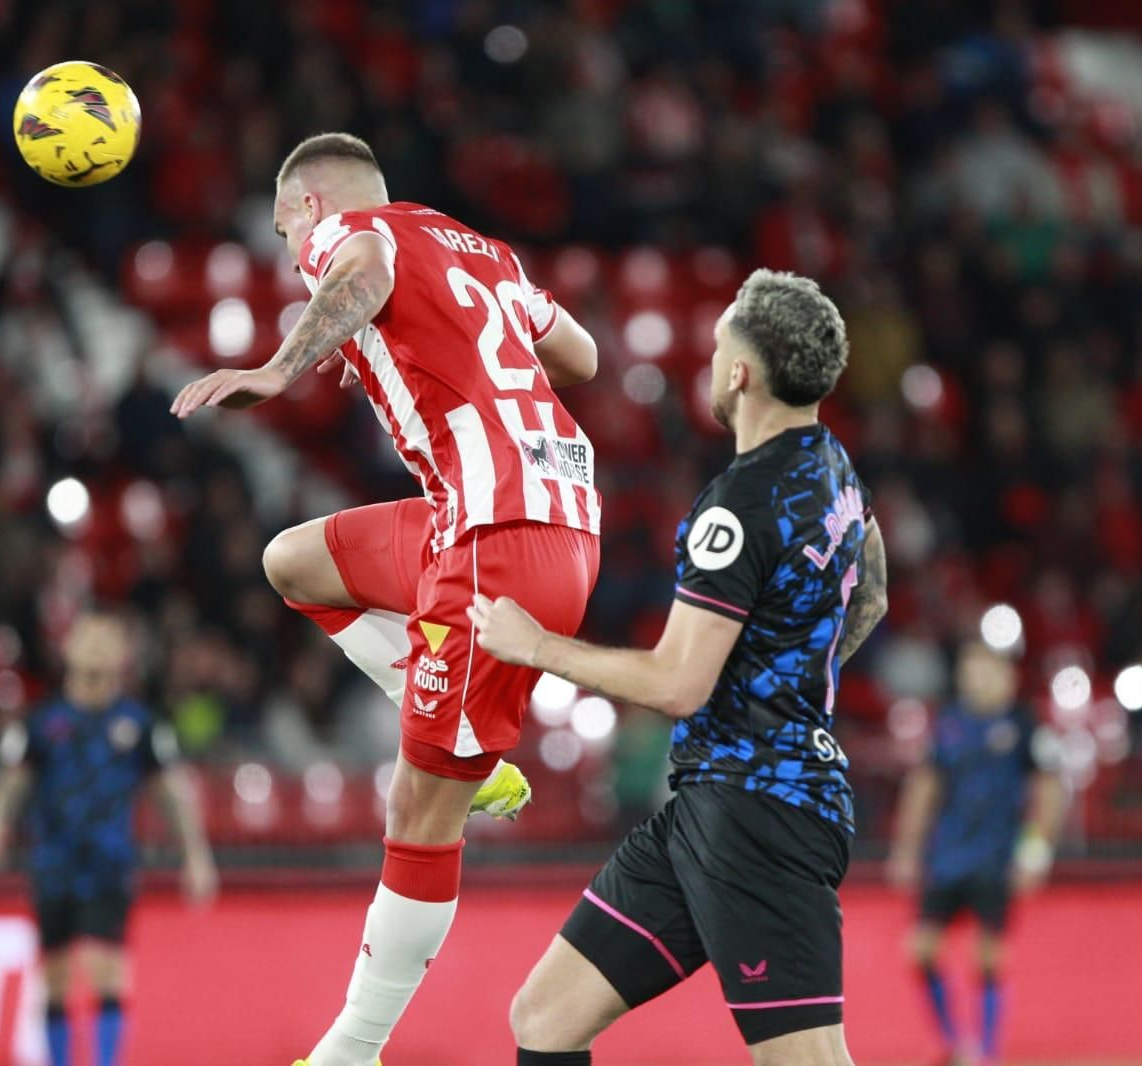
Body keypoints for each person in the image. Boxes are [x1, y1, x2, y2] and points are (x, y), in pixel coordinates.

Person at [171, 132, 602, 1066]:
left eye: (290, 234)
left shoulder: (351, 237)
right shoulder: (475, 246)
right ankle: (467, 752)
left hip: (496, 542)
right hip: (541, 517)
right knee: (294, 563)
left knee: (417, 815)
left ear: (313, 208)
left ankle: (351, 1053)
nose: (295, 256)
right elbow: (582, 355)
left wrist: (281, 368)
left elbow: (357, 272)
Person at [470, 269, 887, 1066]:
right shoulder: (832, 467)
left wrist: (537, 648)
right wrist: (789, 678)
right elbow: (872, 590)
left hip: (759, 811)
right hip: (720, 800)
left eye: (721, 340)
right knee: (546, 1015)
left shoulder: (736, 508)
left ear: (740, 372)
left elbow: (678, 684)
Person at [0, 613, 217, 1066]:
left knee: (108, 971)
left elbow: (171, 792)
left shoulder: (139, 725)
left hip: (109, 861)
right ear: (70, 654)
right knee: (56, 974)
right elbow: (11, 781)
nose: (97, 656)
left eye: (107, 647)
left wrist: (196, 855)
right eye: (89, 645)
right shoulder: (42, 722)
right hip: (54, 860)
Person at [885, 640, 1065, 1066]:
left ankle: (988, 1053)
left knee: (988, 953)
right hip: (947, 857)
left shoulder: (1025, 725)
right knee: (921, 949)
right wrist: (907, 848)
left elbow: (1050, 790)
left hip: (995, 857)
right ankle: (952, 1043)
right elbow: (924, 785)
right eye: (971, 670)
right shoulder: (949, 724)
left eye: (986, 670)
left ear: (1008, 676)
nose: (977, 678)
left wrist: (1036, 850)